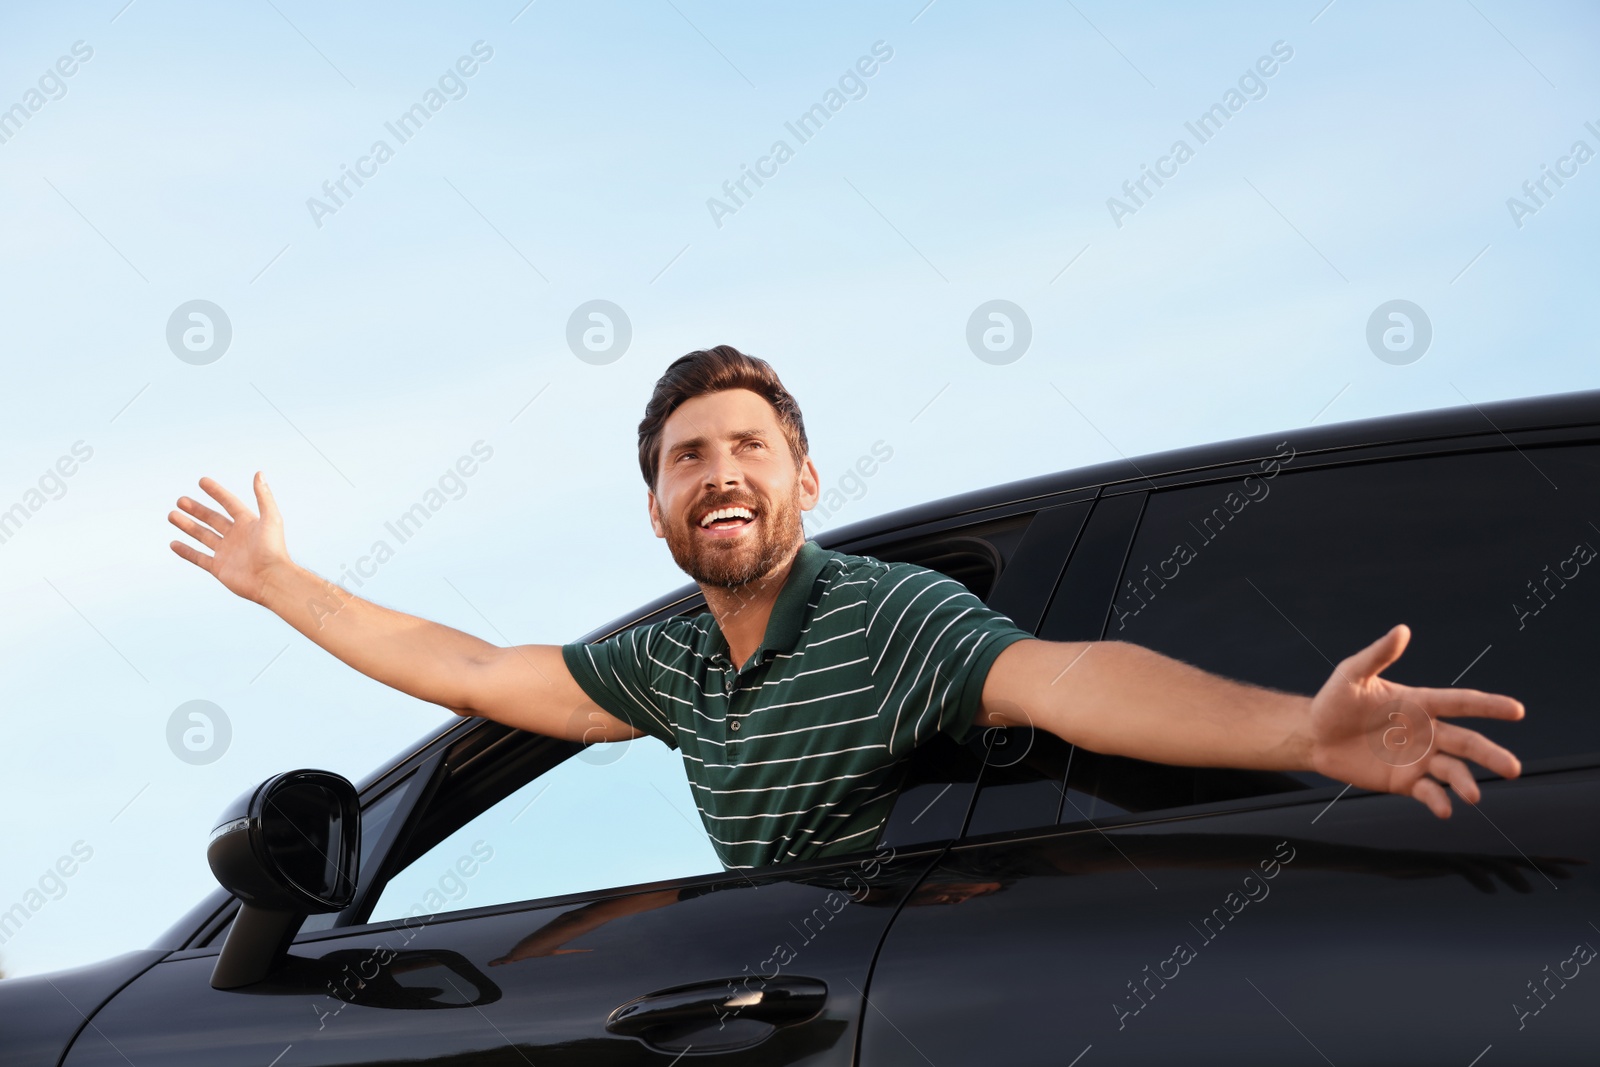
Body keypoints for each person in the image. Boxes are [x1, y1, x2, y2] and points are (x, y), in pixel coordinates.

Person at [168, 345, 1527, 875]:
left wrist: (1303, 731)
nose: (720, 473)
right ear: (659, 512)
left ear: (802, 480)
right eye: (688, 458)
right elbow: (473, 669)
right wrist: (280, 580)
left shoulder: (886, 616)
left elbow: (1068, 679)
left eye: (747, 447)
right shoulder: (672, 669)